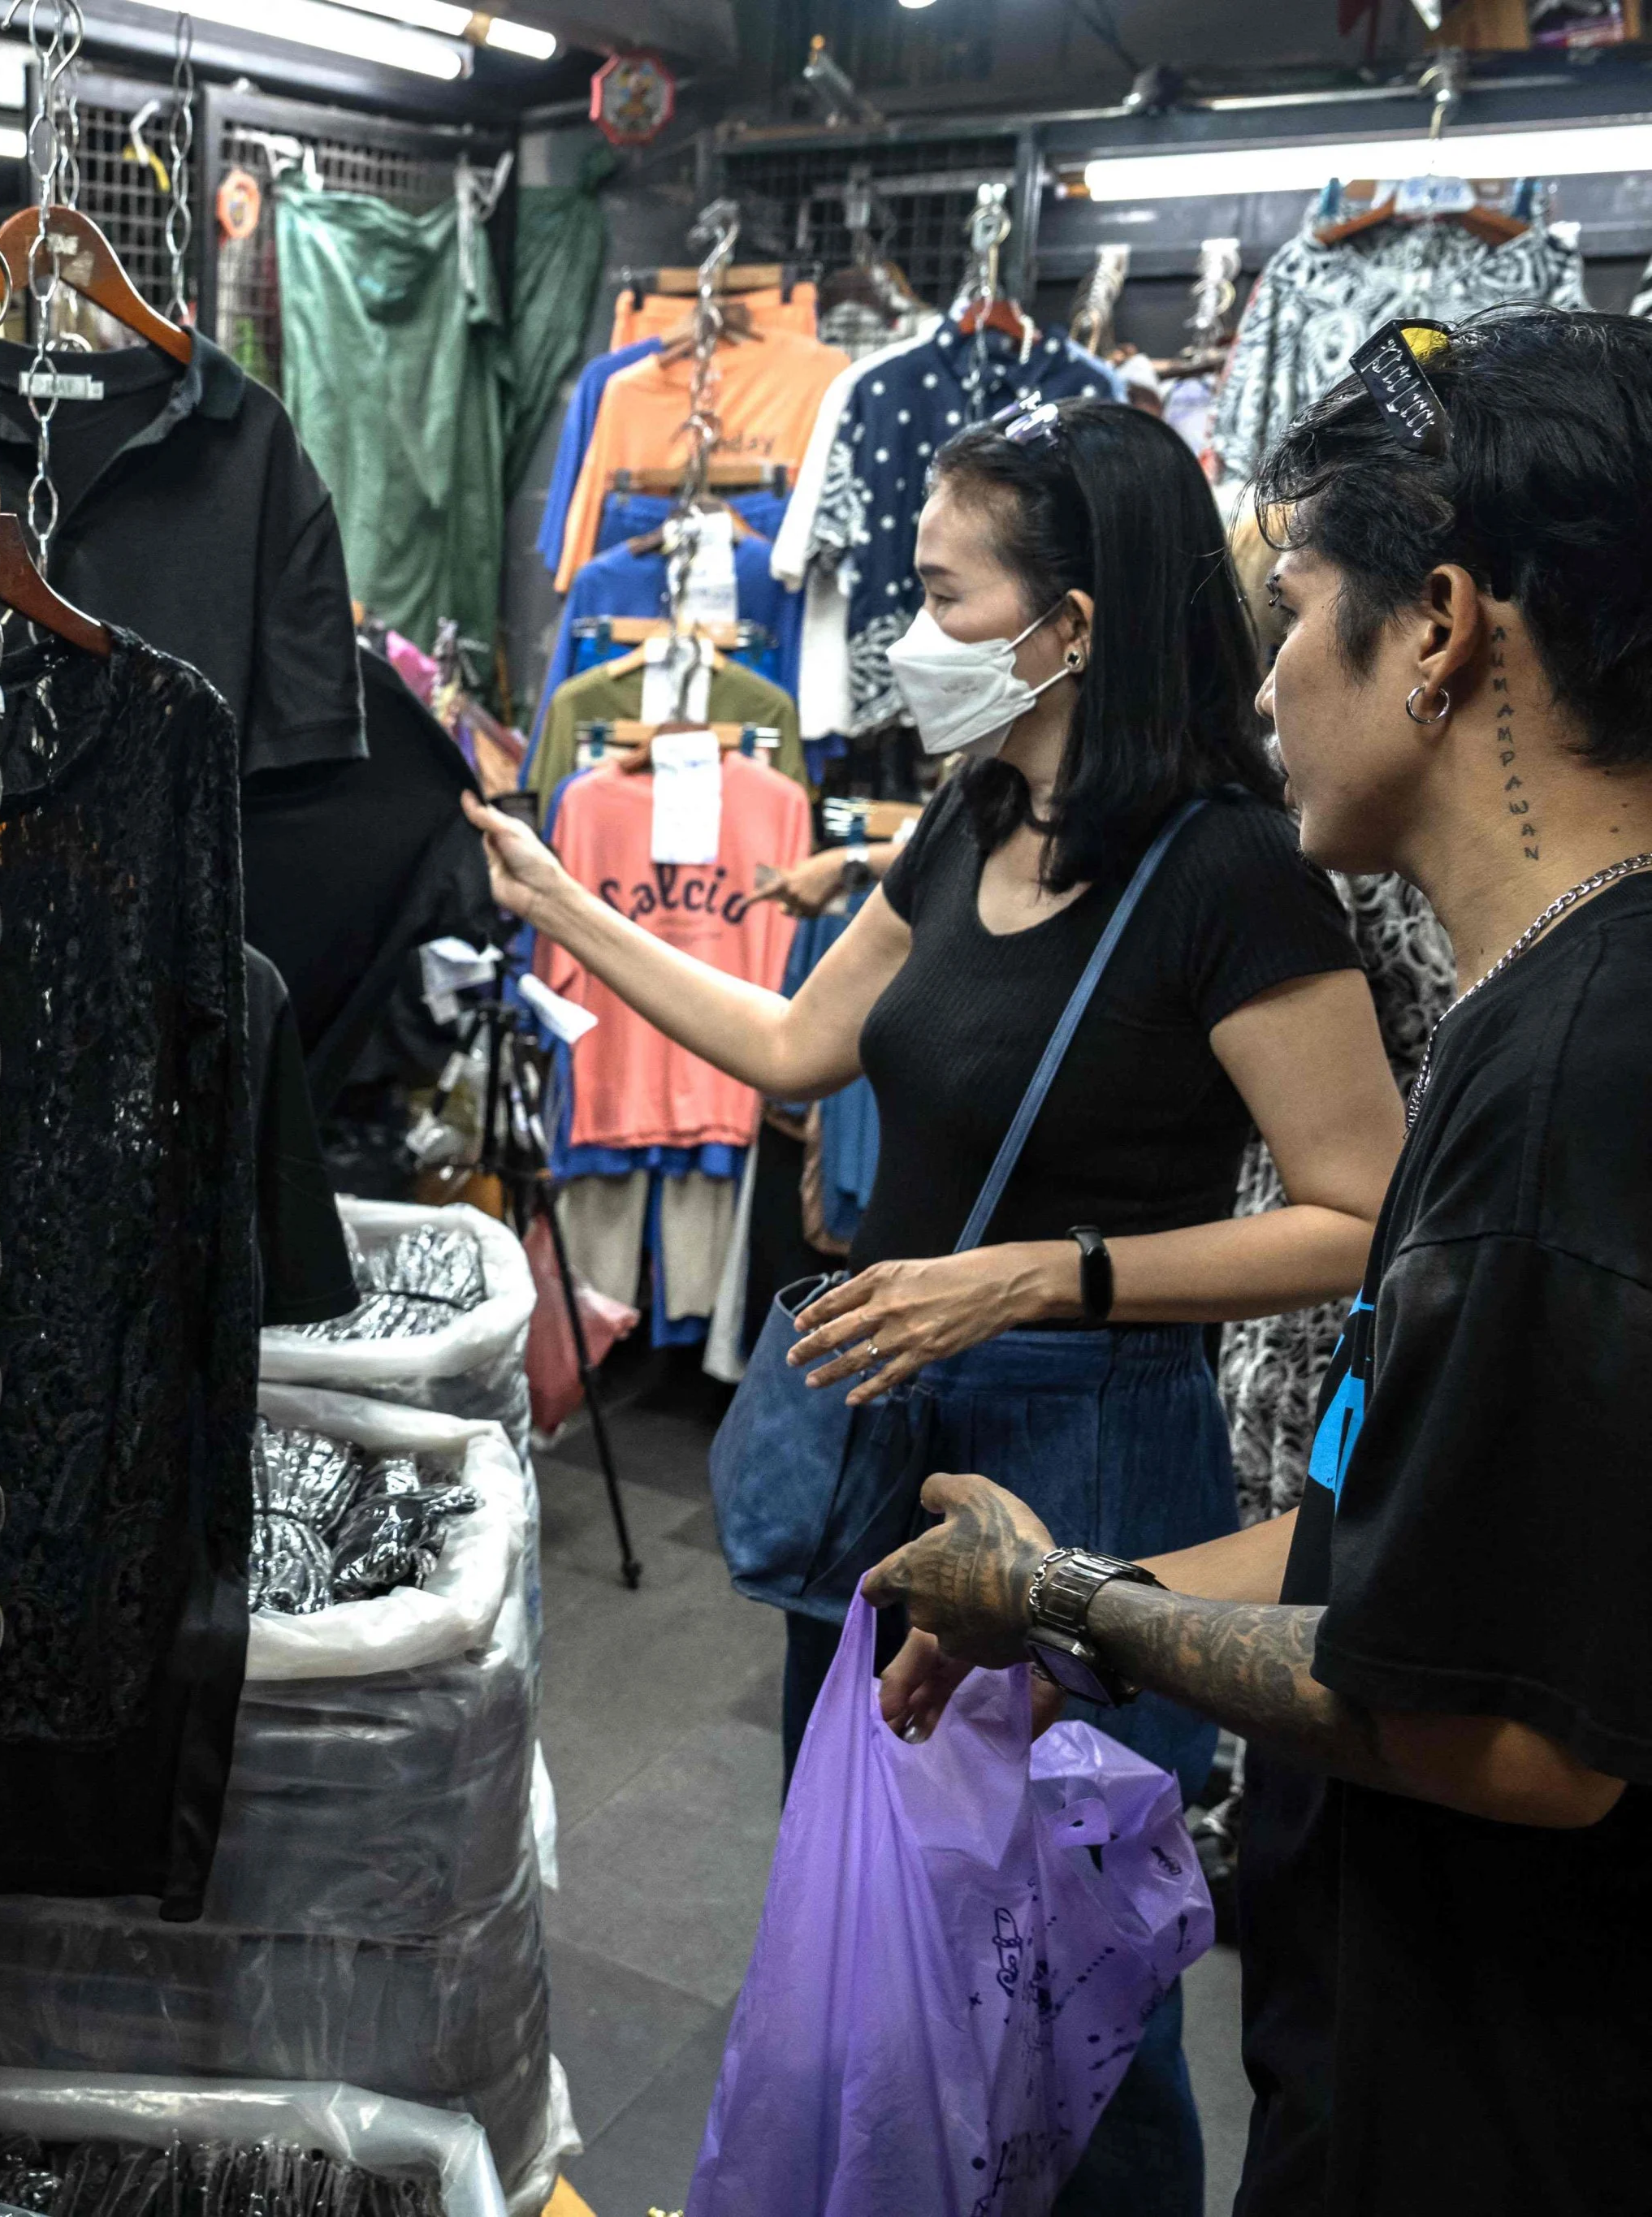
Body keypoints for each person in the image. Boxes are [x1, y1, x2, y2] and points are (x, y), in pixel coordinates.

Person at [466, 397, 1407, 2215]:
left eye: (939, 592)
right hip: (891, 1457)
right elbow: (800, 1039)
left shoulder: (1226, 868)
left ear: (1070, 622)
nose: (906, 632)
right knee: (888, 1912)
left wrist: (1050, 1272)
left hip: (1083, 1469)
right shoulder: (974, 810)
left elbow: (1362, 1214)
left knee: (1065, 1970)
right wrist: (563, 903)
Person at [867, 309, 1652, 2215]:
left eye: (1294, 611)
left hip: (1492, 2094)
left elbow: (1511, 1732)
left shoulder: (1568, 1082)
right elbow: (1388, 1542)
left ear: (1442, 630)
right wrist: (1076, 1598)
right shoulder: (1542, 1016)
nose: (1268, 680)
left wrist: (1072, 1604)